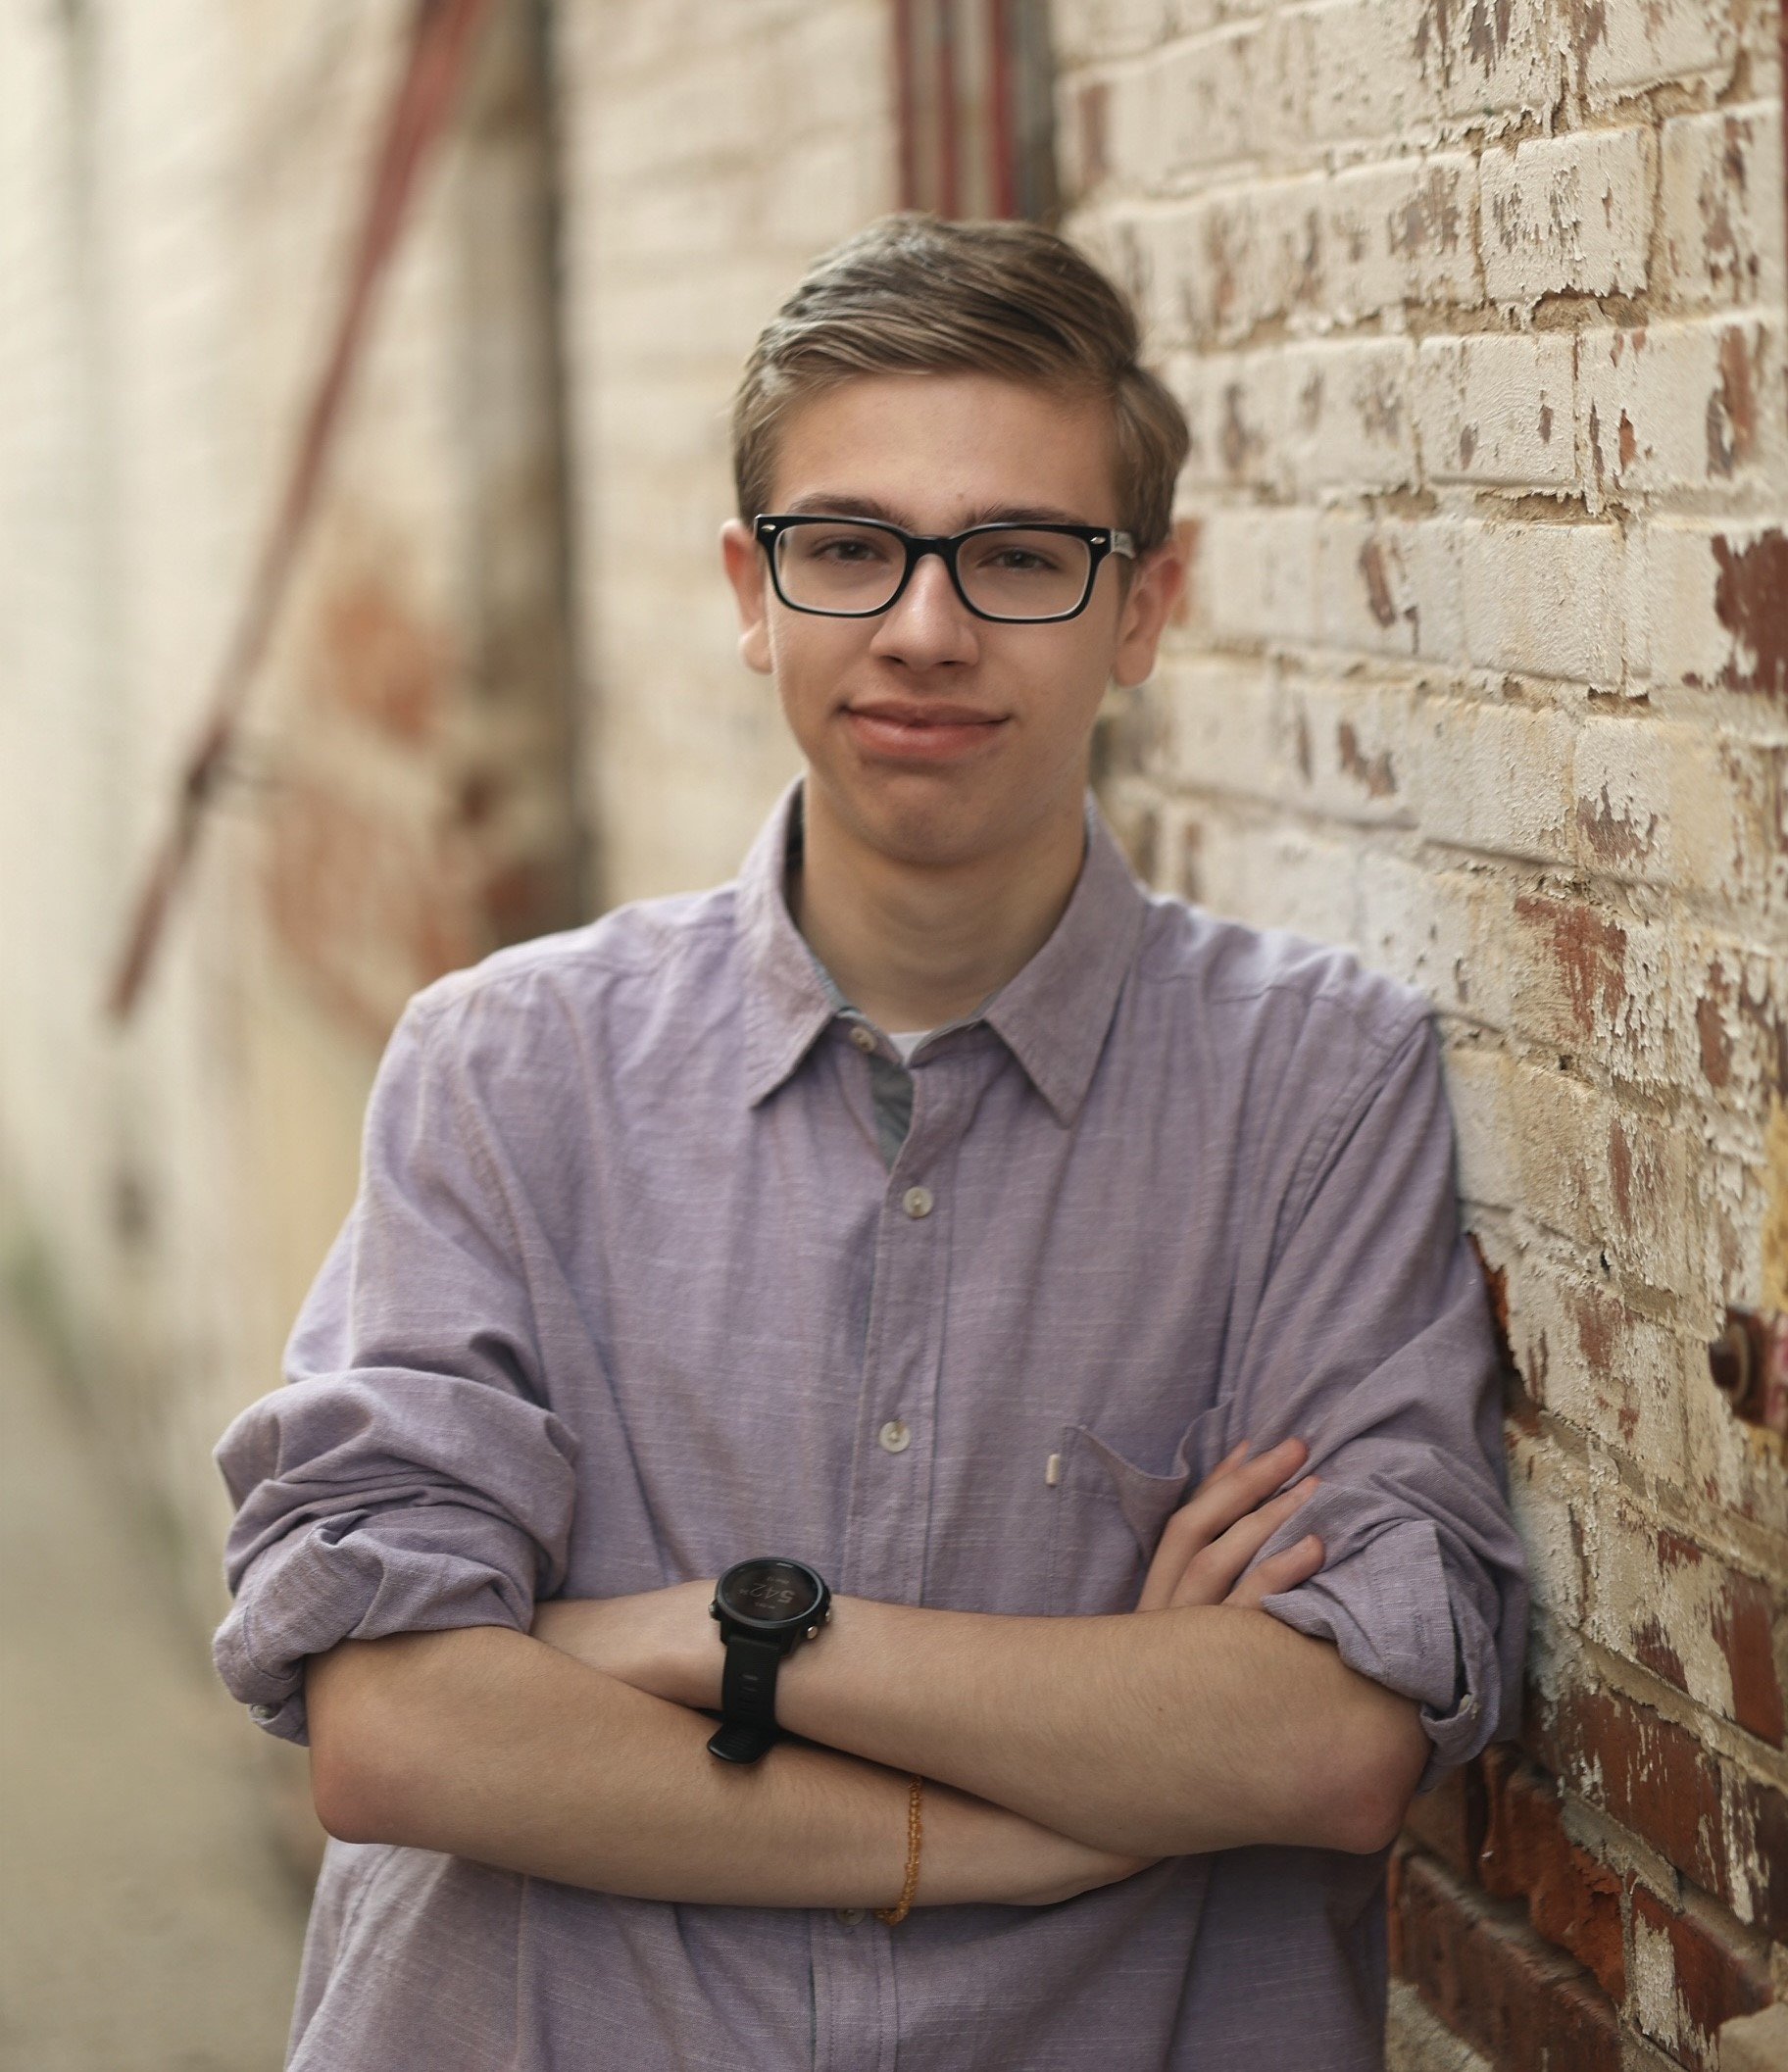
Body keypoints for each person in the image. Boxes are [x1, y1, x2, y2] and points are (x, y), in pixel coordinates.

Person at [214, 213, 1525, 2071]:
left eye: (1017, 556)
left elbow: (1325, 1740)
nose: (924, 627)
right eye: (848, 549)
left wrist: (697, 1636)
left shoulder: (1314, 1092)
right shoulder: (506, 1067)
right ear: (751, 593)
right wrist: (1036, 1811)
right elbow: (396, 1728)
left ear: (1144, 605)